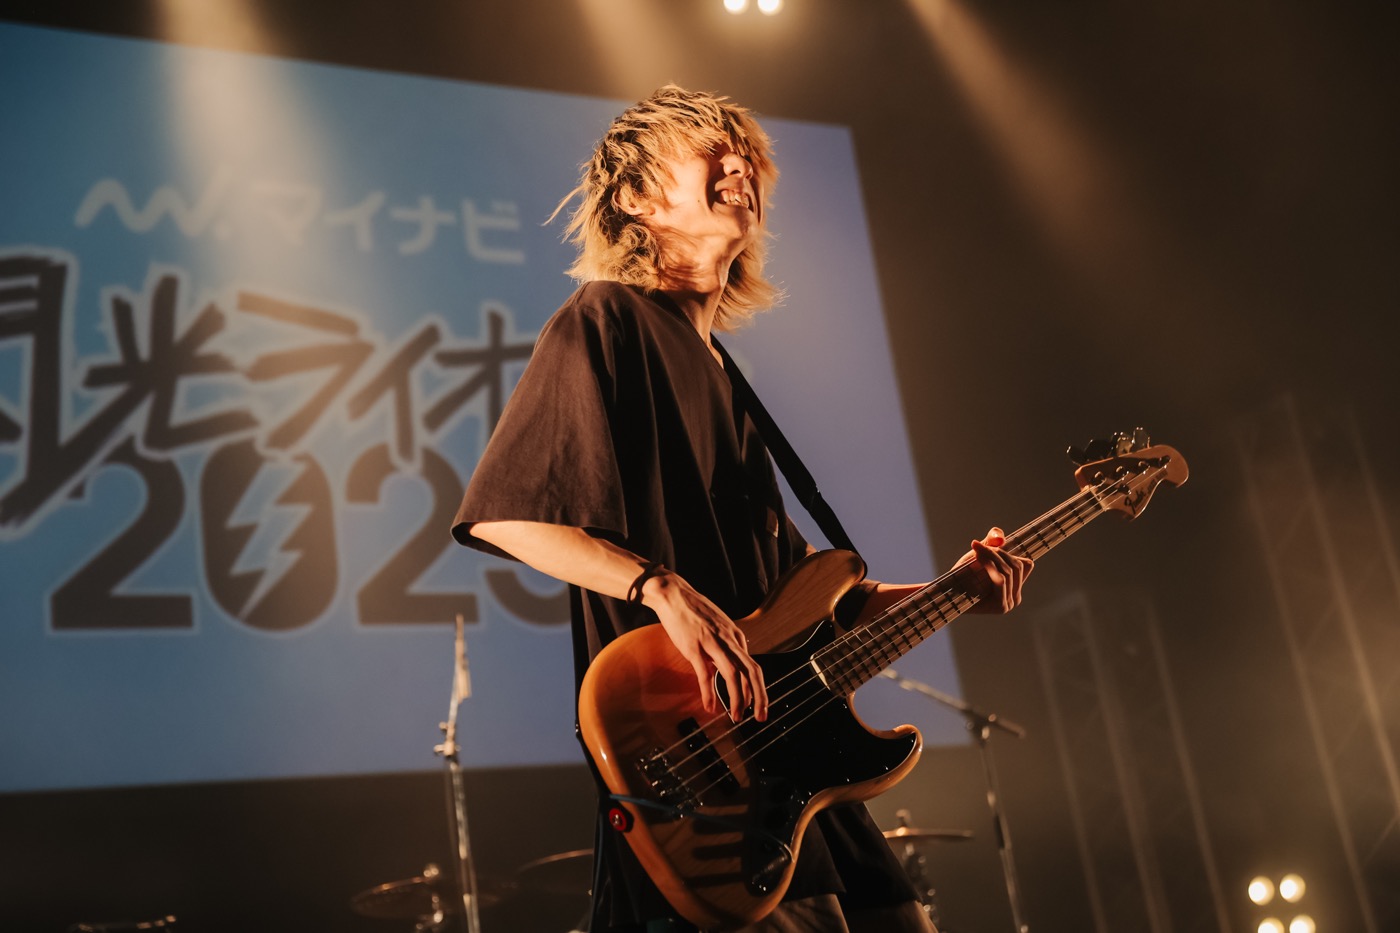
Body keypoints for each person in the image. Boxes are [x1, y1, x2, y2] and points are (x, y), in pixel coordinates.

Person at [451, 85, 1033, 933]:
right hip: (700, 758)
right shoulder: (605, 319)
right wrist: (661, 588)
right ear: (636, 198)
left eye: (746, 155)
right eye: (709, 151)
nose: (738, 165)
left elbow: (816, 602)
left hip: (787, 743)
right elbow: (506, 517)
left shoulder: (726, 375)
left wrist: (955, 591)